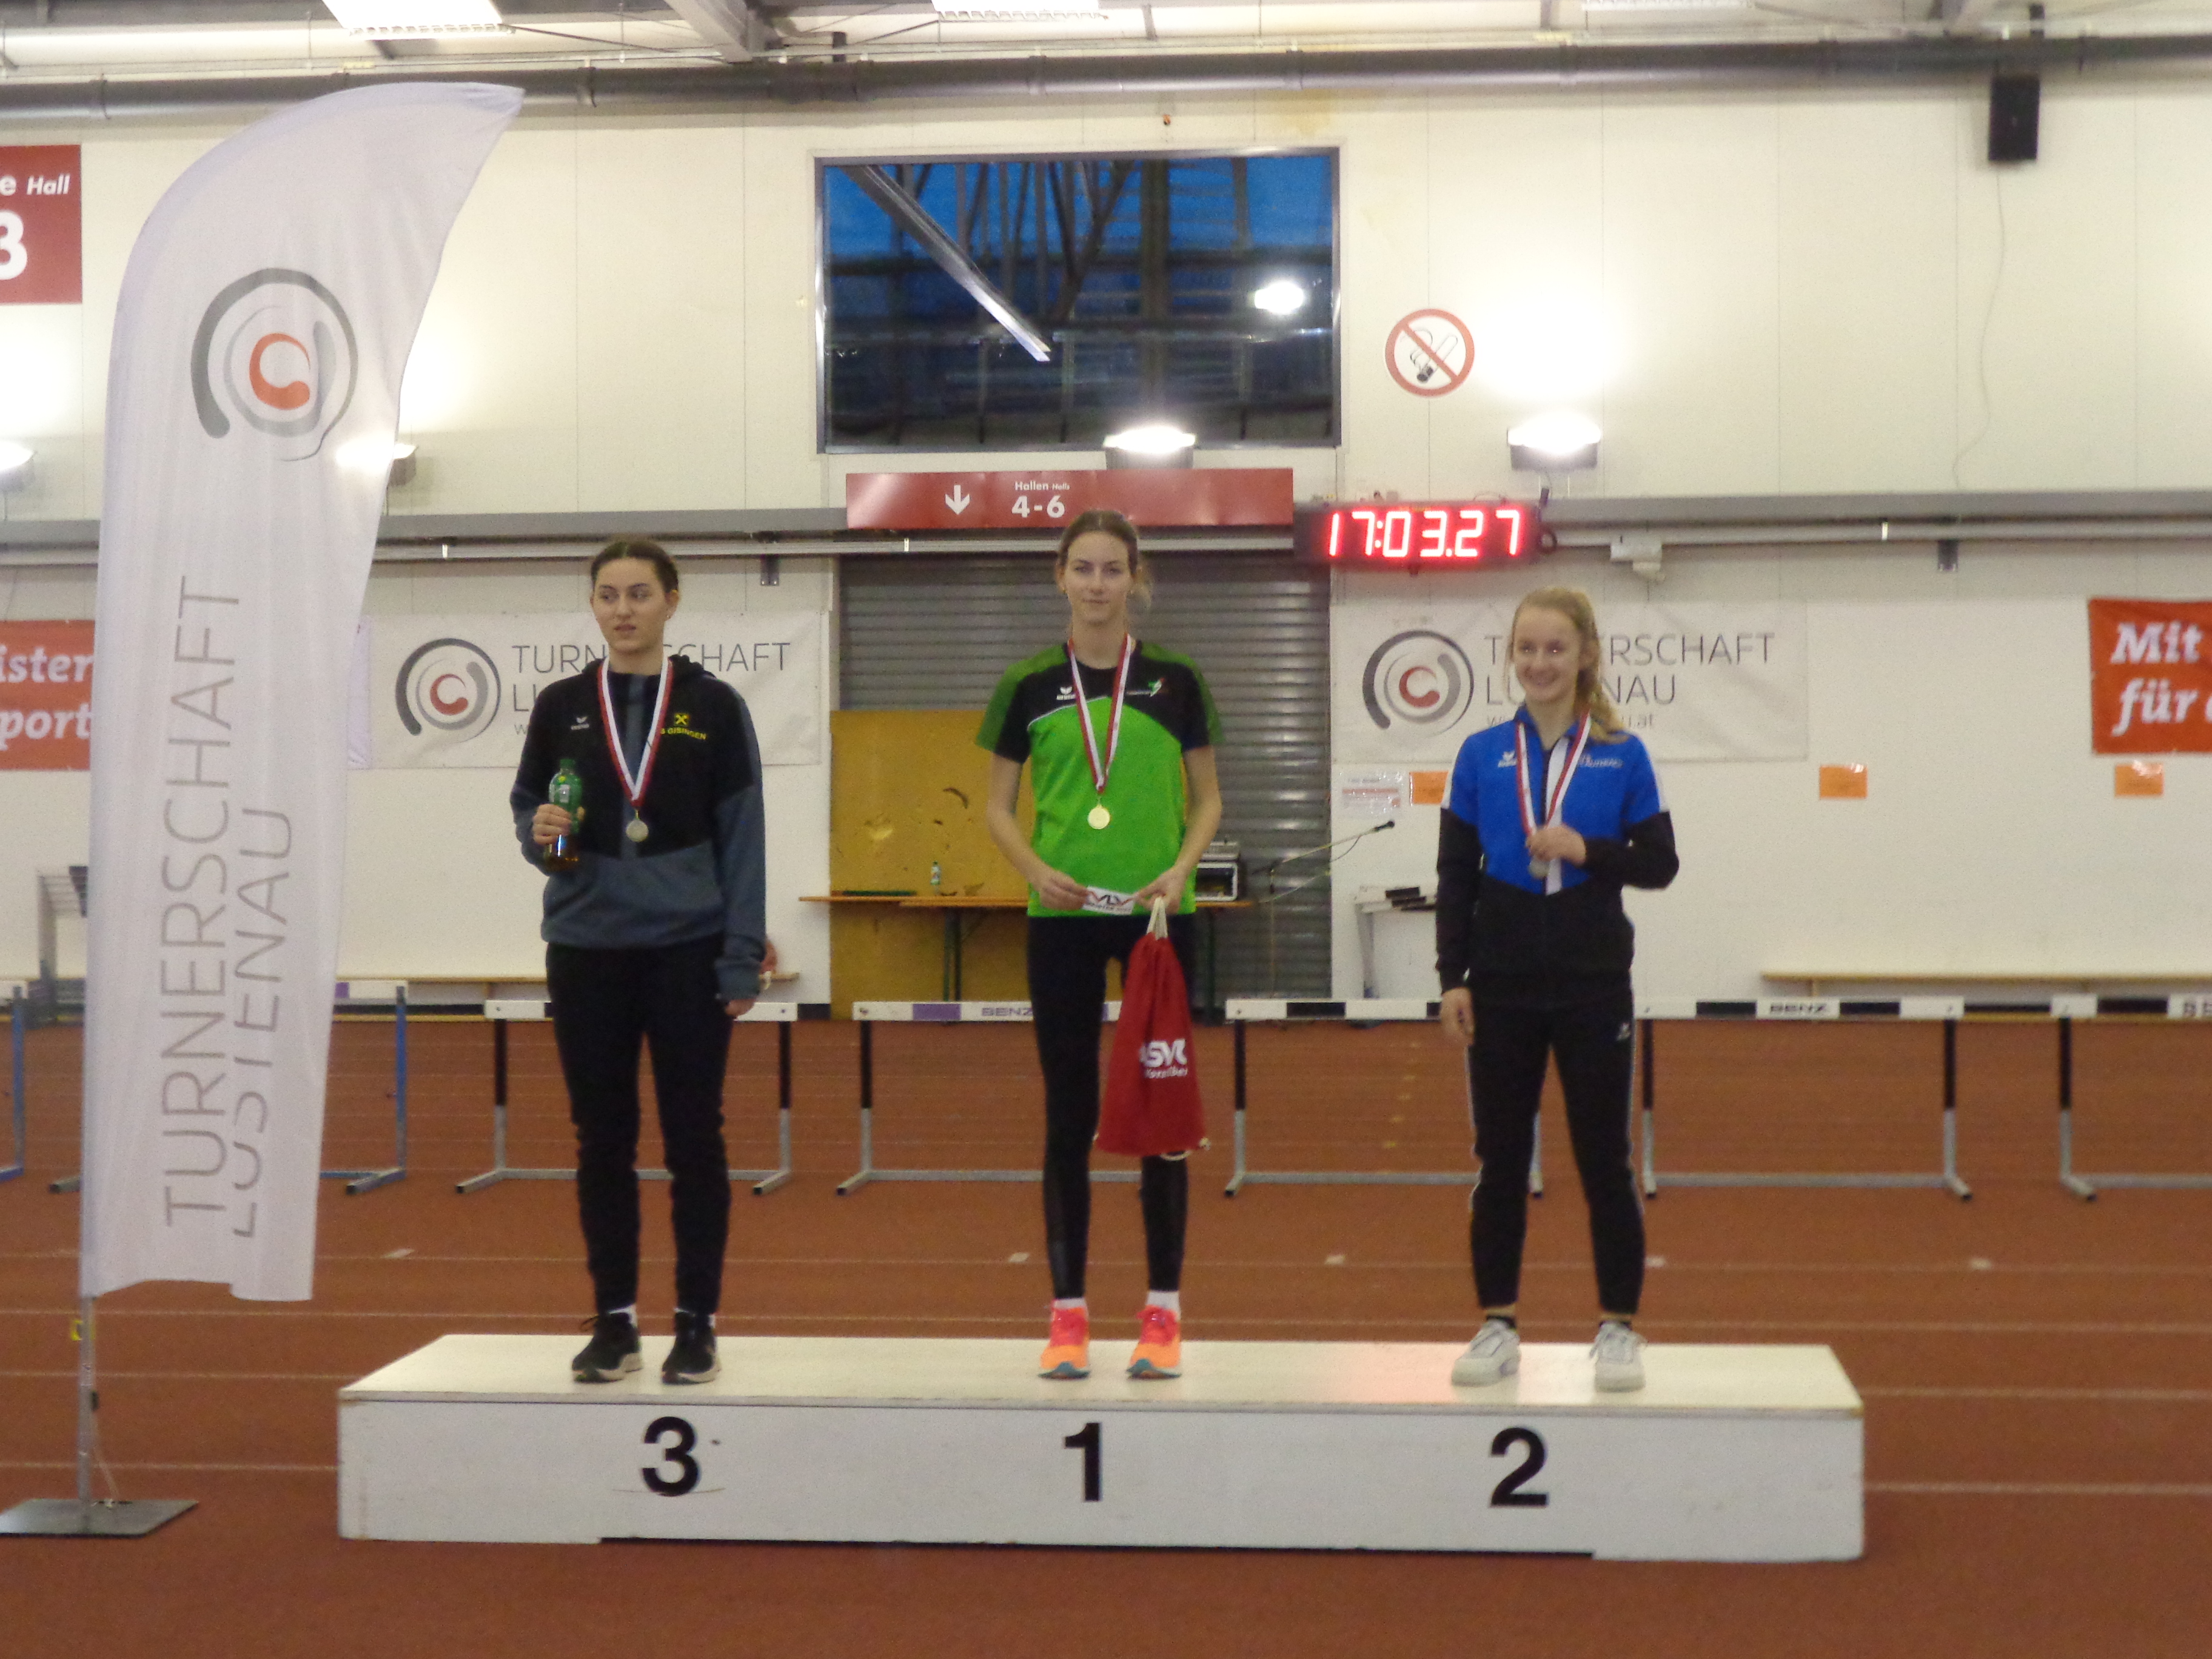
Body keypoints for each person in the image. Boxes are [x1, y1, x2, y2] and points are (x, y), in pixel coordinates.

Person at [512, 538, 770, 1387]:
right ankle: (616, 1322)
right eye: (608, 595)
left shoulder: (714, 706)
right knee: (602, 1141)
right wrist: (543, 838)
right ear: (593, 605)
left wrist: (740, 957)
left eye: (639, 594)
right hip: (586, 952)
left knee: (695, 1139)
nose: (623, 610)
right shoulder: (560, 706)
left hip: (688, 954)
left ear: (672, 602)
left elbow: (743, 838)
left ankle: (697, 1323)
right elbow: (540, 828)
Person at [979, 509, 1224, 1381]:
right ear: (1060, 576)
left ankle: (1163, 1315)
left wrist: (1182, 870)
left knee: (1162, 1116)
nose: (1096, 584)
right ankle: (1069, 1316)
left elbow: (1209, 801)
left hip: (1158, 919)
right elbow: (996, 808)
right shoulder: (1027, 684)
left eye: (1112, 569)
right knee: (1068, 1115)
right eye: (1082, 568)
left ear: (1134, 578)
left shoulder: (1177, 680)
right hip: (1063, 919)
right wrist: (1036, 871)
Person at [1435, 586, 1677, 1392]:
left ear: (1585, 657)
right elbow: (1455, 875)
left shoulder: (1622, 754)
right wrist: (1452, 979)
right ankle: (1497, 1324)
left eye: (1555, 649)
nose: (1539, 663)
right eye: (1527, 649)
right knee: (1500, 1160)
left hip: (1591, 982)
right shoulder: (1479, 754)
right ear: (1512, 656)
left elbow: (1661, 865)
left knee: (1604, 1159)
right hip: (1500, 984)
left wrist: (1587, 848)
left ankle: (1618, 1328)